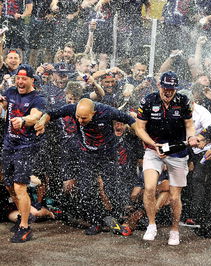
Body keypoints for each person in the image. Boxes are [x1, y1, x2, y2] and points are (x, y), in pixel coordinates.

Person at [34, 98, 137, 235]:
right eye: (78, 117)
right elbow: (51, 114)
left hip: (108, 156)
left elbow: (131, 121)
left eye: (84, 118)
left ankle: (120, 218)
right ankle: (97, 221)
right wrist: (42, 122)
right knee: (86, 189)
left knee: (112, 187)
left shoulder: (107, 111)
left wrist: (142, 134)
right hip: (87, 155)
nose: (80, 121)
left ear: (93, 113)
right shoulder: (73, 108)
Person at [135, 71, 199, 245]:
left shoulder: (183, 101)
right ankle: (151, 225)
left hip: (177, 151)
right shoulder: (148, 101)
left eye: (171, 89)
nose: (168, 92)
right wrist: (153, 145)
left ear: (175, 89)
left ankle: (175, 229)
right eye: (165, 88)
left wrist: (192, 137)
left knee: (174, 195)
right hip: (153, 149)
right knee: (149, 188)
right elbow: (139, 128)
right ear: (159, 86)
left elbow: (189, 125)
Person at [0, 64, 47, 243]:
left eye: (24, 78)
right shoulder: (11, 92)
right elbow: (4, 104)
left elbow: (35, 116)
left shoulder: (38, 98)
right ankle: (22, 215)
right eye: (18, 78)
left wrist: (22, 119)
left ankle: (25, 227)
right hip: (8, 144)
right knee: (9, 185)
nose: (20, 81)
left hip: (26, 147)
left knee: (20, 186)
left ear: (31, 80)